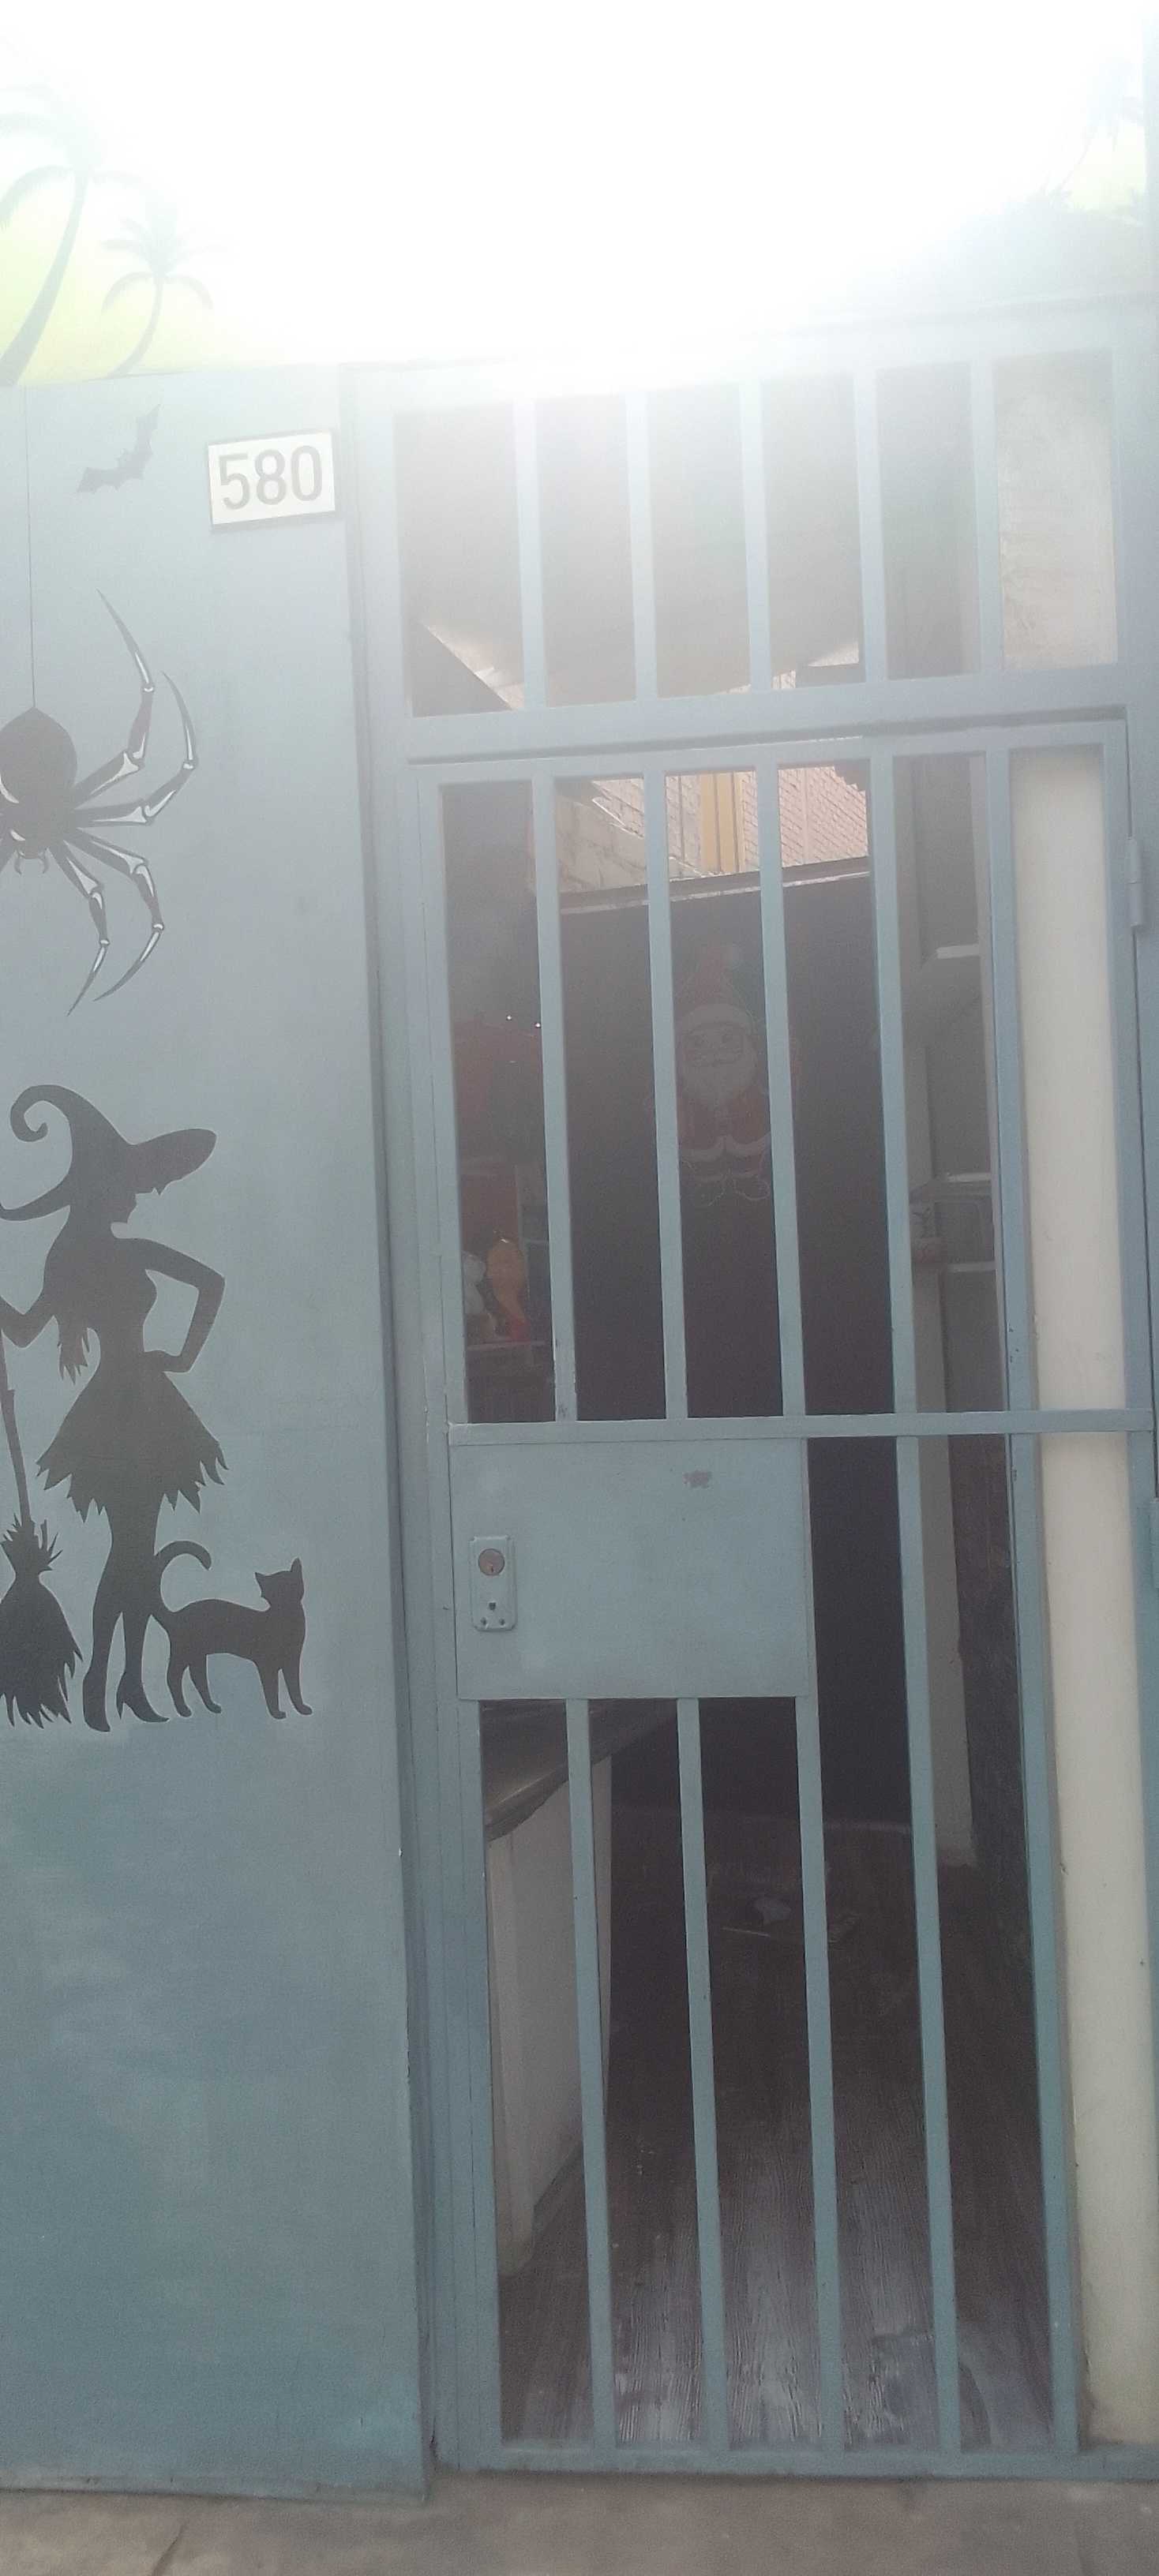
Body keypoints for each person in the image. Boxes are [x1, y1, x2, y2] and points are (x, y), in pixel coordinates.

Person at [0, 1086, 224, 1730]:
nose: (140, 1194)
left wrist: (185, 1359)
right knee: (132, 1553)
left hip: (129, 1408)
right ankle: (109, 1678)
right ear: (103, 1187)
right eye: (129, 1182)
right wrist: (179, 1358)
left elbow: (21, 1329)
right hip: (134, 1410)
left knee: (134, 1553)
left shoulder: (78, 1259)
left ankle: (119, 1680)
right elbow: (211, 1284)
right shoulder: (112, 1255)